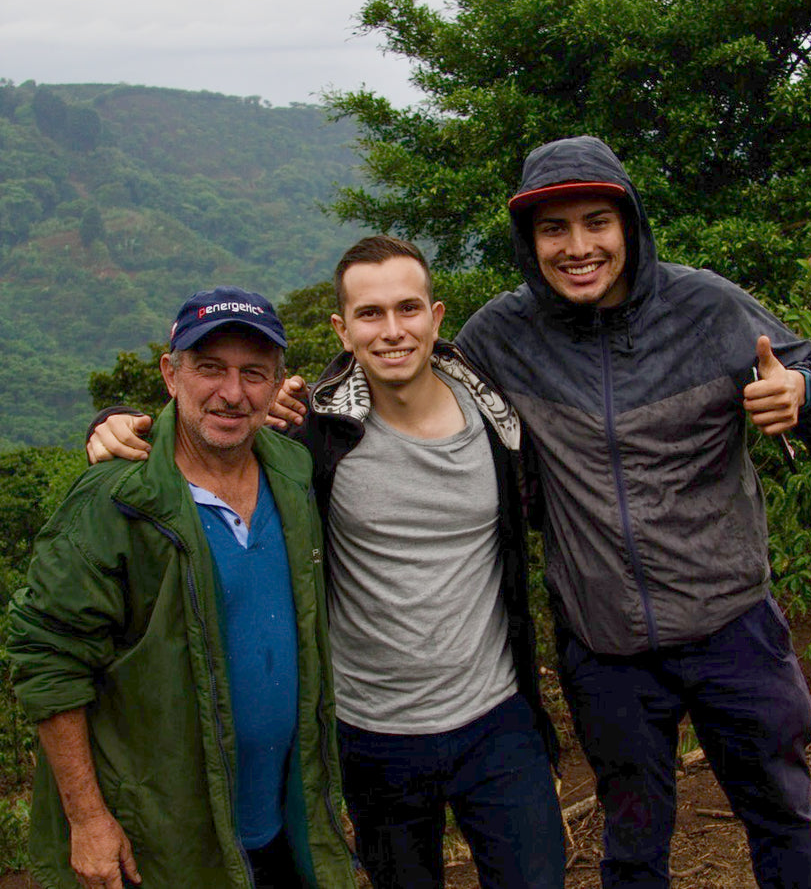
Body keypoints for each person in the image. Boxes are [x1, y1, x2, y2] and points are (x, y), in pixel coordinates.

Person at [83, 238, 566, 889]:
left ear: (437, 315)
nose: (392, 331)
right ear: (341, 327)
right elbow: (211, 429)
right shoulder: (312, 434)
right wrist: (115, 422)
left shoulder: (496, 418)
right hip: (373, 735)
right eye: (370, 314)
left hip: (497, 720)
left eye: (408, 308)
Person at [449, 137, 811, 888]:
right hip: (606, 649)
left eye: (596, 221)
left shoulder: (707, 305)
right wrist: (297, 416)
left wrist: (802, 392)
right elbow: (410, 392)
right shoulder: (501, 336)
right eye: (553, 229)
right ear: (527, 241)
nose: (577, 247)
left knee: (782, 819)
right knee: (633, 848)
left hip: (735, 630)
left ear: (629, 223)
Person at [8, 286, 355, 889]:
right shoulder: (117, 499)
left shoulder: (291, 472)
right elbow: (48, 657)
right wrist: (87, 820)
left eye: (254, 374)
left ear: (277, 386)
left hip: (282, 822)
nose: (231, 392)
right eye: (209, 368)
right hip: (164, 841)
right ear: (171, 374)